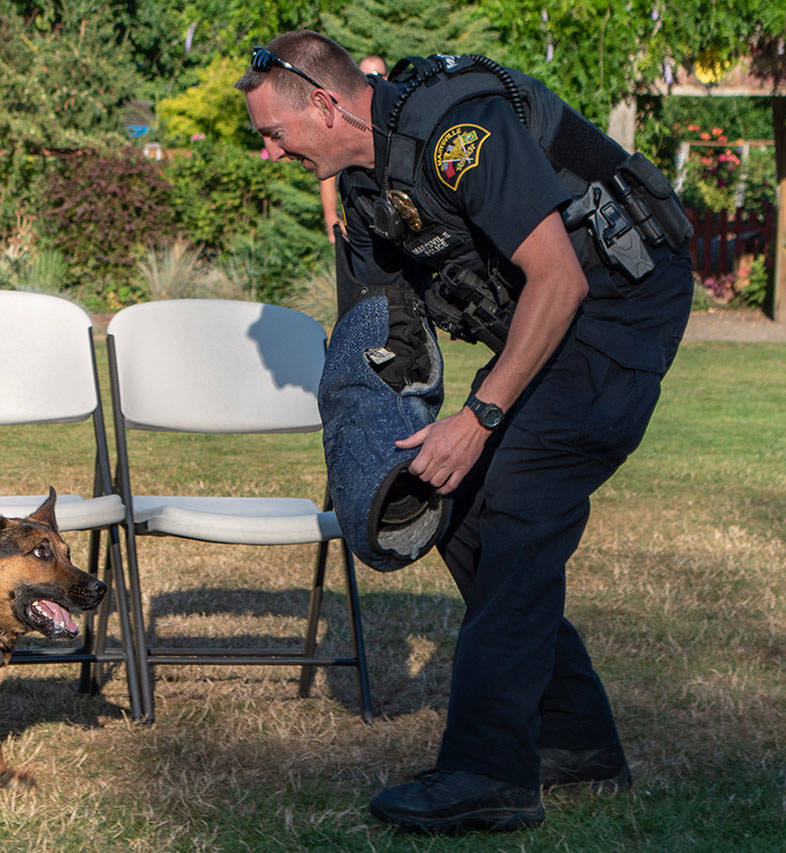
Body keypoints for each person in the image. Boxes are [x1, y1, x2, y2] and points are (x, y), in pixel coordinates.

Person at [237, 31, 692, 833]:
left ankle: (489, 772)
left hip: (615, 306)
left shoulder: (457, 134)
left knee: (517, 507)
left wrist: (479, 418)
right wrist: (369, 458)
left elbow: (561, 276)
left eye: (274, 134)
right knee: (463, 505)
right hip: (545, 322)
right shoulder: (367, 195)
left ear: (326, 102)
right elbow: (377, 338)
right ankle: (576, 741)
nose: (268, 155)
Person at [319, 54, 387, 243]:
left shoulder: (394, 114)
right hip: (360, 220)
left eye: (378, 75)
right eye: (366, 77)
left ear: (387, 78)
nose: (373, 80)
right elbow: (329, 174)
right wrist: (331, 218)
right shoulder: (346, 121)